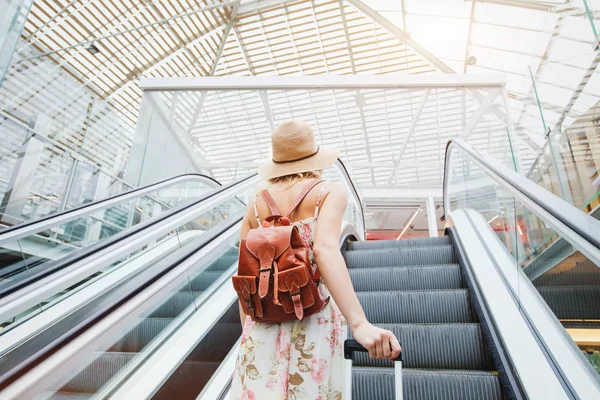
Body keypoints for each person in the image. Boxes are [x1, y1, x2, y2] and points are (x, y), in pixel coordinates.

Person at [230, 121, 401, 400]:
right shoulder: (328, 192)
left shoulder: (255, 203)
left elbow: (246, 272)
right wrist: (359, 324)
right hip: (312, 316)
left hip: (262, 324)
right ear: (314, 157)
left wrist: (248, 328)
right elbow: (324, 249)